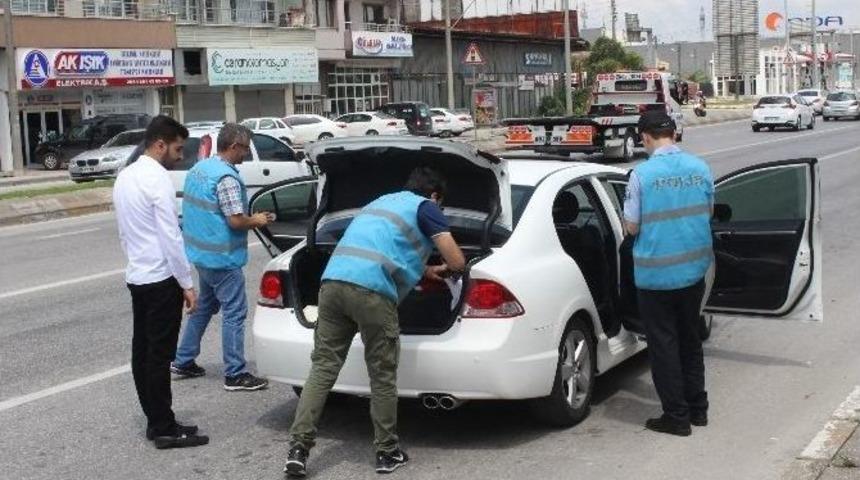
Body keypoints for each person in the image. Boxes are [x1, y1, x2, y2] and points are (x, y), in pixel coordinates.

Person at [284, 167, 466, 478]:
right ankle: (387, 451)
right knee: (382, 375)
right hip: (372, 292)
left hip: (332, 284)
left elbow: (379, 248)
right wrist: (451, 271)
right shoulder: (427, 207)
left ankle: (297, 450)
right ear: (435, 195)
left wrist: (424, 271)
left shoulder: (380, 202)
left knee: (323, 368)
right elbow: (457, 260)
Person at [113, 115, 209, 449]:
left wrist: (136, 262)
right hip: (161, 279)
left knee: (142, 353)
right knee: (159, 356)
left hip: (138, 276)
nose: (180, 156)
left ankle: (156, 421)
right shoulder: (157, 180)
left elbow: (124, 232)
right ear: (159, 145)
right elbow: (171, 236)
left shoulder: (125, 176)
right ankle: (164, 427)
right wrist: (186, 283)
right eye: (178, 149)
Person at [623, 110, 714, 437]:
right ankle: (698, 409)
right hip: (693, 271)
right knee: (690, 339)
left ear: (645, 137)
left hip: (656, 277)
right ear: (674, 134)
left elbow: (632, 227)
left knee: (664, 346)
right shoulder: (700, 168)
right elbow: (708, 212)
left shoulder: (641, 175)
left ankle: (676, 417)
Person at [171, 123, 273, 391]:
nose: (247, 153)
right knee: (234, 313)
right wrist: (257, 220)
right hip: (222, 259)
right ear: (234, 146)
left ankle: (183, 360)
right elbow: (236, 221)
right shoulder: (226, 179)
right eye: (245, 148)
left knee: (205, 306)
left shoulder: (200, 168)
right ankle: (235, 373)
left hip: (201, 255)